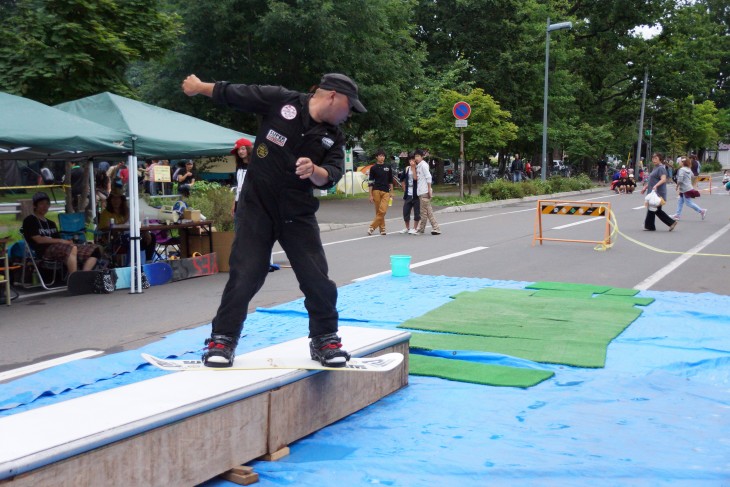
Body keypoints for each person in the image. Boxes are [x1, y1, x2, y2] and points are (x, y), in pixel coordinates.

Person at [182, 71, 366, 368]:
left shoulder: (334, 136)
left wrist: (314, 171)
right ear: (334, 96)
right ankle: (223, 339)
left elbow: (332, 175)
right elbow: (238, 91)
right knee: (246, 273)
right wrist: (199, 87)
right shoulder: (283, 101)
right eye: (350, 108)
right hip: (258, 207)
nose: (349, 115)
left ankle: (325, 340)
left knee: (316, 277)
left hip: (297, 212)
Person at [22, 192, 100, 274]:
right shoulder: (30, 220)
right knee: (72, 249)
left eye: (47, 204)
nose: (45, 206)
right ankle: (73, 279)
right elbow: (38, 239)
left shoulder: (51, 223)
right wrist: (62, 241)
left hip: (59, 248)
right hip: (43, 251)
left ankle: (83, 276)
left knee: (95, 249)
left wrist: (68, 242)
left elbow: (57, 239)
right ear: (35, 205)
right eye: (41, 204)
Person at [98, 189, 156, 263]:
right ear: (110, 200)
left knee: (151, 236)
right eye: (114, 198)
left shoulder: (127, 210)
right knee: (135, 239)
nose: (116, 201)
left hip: (131, 232)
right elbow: (104, 228)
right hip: (116, 237)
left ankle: (148, 261)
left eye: (118, 198)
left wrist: (145, 231)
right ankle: (131, 264)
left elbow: (135, 222)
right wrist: (121, 224)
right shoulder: (105, 213)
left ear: (122, 200)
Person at [641, 153, 677, 232]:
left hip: (658, 193)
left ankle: (671, 222)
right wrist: (645, 187)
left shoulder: (661, 168)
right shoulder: (655, 168)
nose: (654, 160)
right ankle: (650, 226)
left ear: (660, 159)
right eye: (653, 158)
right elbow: (652, 180)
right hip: (653, 191)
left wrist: (656, 186)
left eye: (656, 158)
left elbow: (663, 179)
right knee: (652, 208)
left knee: (655, 209)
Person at [367, 149, 394, 236]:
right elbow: (370, 182)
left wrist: (392, 192)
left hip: (386, 191)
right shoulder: (373, 168)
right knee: (378, 211)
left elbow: (390, 180)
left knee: (383, 210)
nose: (382, 157)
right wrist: (370, 195)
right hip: (376, 190)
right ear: (377, 157)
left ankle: (372, 227)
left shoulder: (388, 167)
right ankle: (382, 229)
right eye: (380, 156)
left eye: (383, 156)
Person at [414, 149, 441, 235]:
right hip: (422, 191)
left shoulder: (423, 165)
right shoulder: (419, 166)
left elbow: (428, 177)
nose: (416, 158)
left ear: (422, 157)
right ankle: (432, 228)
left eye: (418, 156)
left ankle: (428, 228)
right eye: (415, 156)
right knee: (426, 212)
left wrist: (429, 189)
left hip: (424, 191)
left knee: (425, 212)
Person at [672, 157, 707, 221]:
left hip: (685, 189)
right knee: (680, 201)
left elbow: (680, 180)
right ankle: (677, 215)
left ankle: (701, 211)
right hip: (687, 187)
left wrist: (677, 185)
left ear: (683, 163)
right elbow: (692, 175)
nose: (679, 162)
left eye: (680, 161)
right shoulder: (688, 169)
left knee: (688, 203)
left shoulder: (682, 170)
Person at [398, 153, 420, 234]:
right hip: (408, 193)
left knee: (417, 212)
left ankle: (415, 228)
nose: (411, 161)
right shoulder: (407, 169)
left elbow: (416, 179)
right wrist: (404, 188)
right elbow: (402, 179)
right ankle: (407, 228)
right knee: (406, 211)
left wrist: (414, 168)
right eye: (410, 160)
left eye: (413, 160)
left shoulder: (418, 168)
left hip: (416, 193)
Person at [231, 138, 252, 217]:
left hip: (251, 204)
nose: (240, 152)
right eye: (238, 150)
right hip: (238, 204)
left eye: (243, 149)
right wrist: (234, 204)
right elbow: (236, 186)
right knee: (239, 227)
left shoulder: (254, 166)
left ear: (248, 149)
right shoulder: (238, 166)